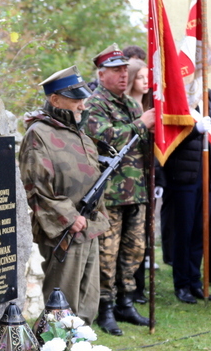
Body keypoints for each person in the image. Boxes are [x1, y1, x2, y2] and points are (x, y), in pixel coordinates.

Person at [19, 66, 110, 323]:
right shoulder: (39, 134)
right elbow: (35, 186)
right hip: (63, 229)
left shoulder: (78, 133)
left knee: (88, 299)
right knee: (61, 302)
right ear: (55, 100)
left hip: (88, 226)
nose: (82, 105)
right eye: (75, 99)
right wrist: (70, 217)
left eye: (83, 98)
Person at [85, 44, 155, 335]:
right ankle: (106, 308)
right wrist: (141, 124)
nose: (123, 75)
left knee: (136, 249)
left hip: (135, 190)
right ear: (102, 74)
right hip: (110, 194)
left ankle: (126, 301)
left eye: (125, 70)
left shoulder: (130, 104)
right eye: (116, 70)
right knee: (107, 254)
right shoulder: (94, 104)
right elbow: (103, 135)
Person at [163, 89, 211, 303]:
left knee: (201, 232)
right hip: (183, 175)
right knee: (184, 231)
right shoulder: (178, 98)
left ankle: (194, 281)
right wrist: (195, 130)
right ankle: (181, 284)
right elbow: (169, 138)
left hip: (207, 177)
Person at [126, 57, 156, 304]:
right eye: (140, 77)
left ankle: (139, 288)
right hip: (125, 184)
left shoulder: (148, 105)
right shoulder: (126, 108)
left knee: (141, 239)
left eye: (148, 77)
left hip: (145, 181)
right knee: (126, 243)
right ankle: (126, 292)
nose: (146, 81)